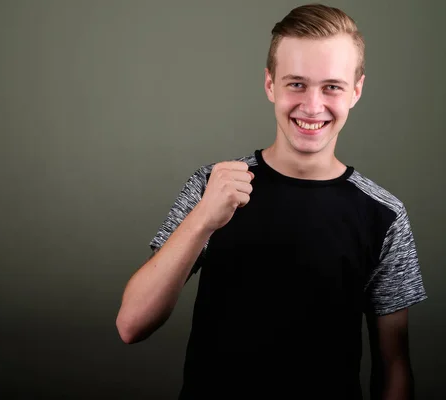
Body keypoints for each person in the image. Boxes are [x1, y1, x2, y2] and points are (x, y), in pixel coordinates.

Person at [116, 3, 427, 399]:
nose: (312, 106)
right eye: (296, 83)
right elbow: (131, 325)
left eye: (331, 86)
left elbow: (395, 365)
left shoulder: (384, 214)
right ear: (270, 85)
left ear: (356, 91)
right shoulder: (212, 186)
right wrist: (203, 220)